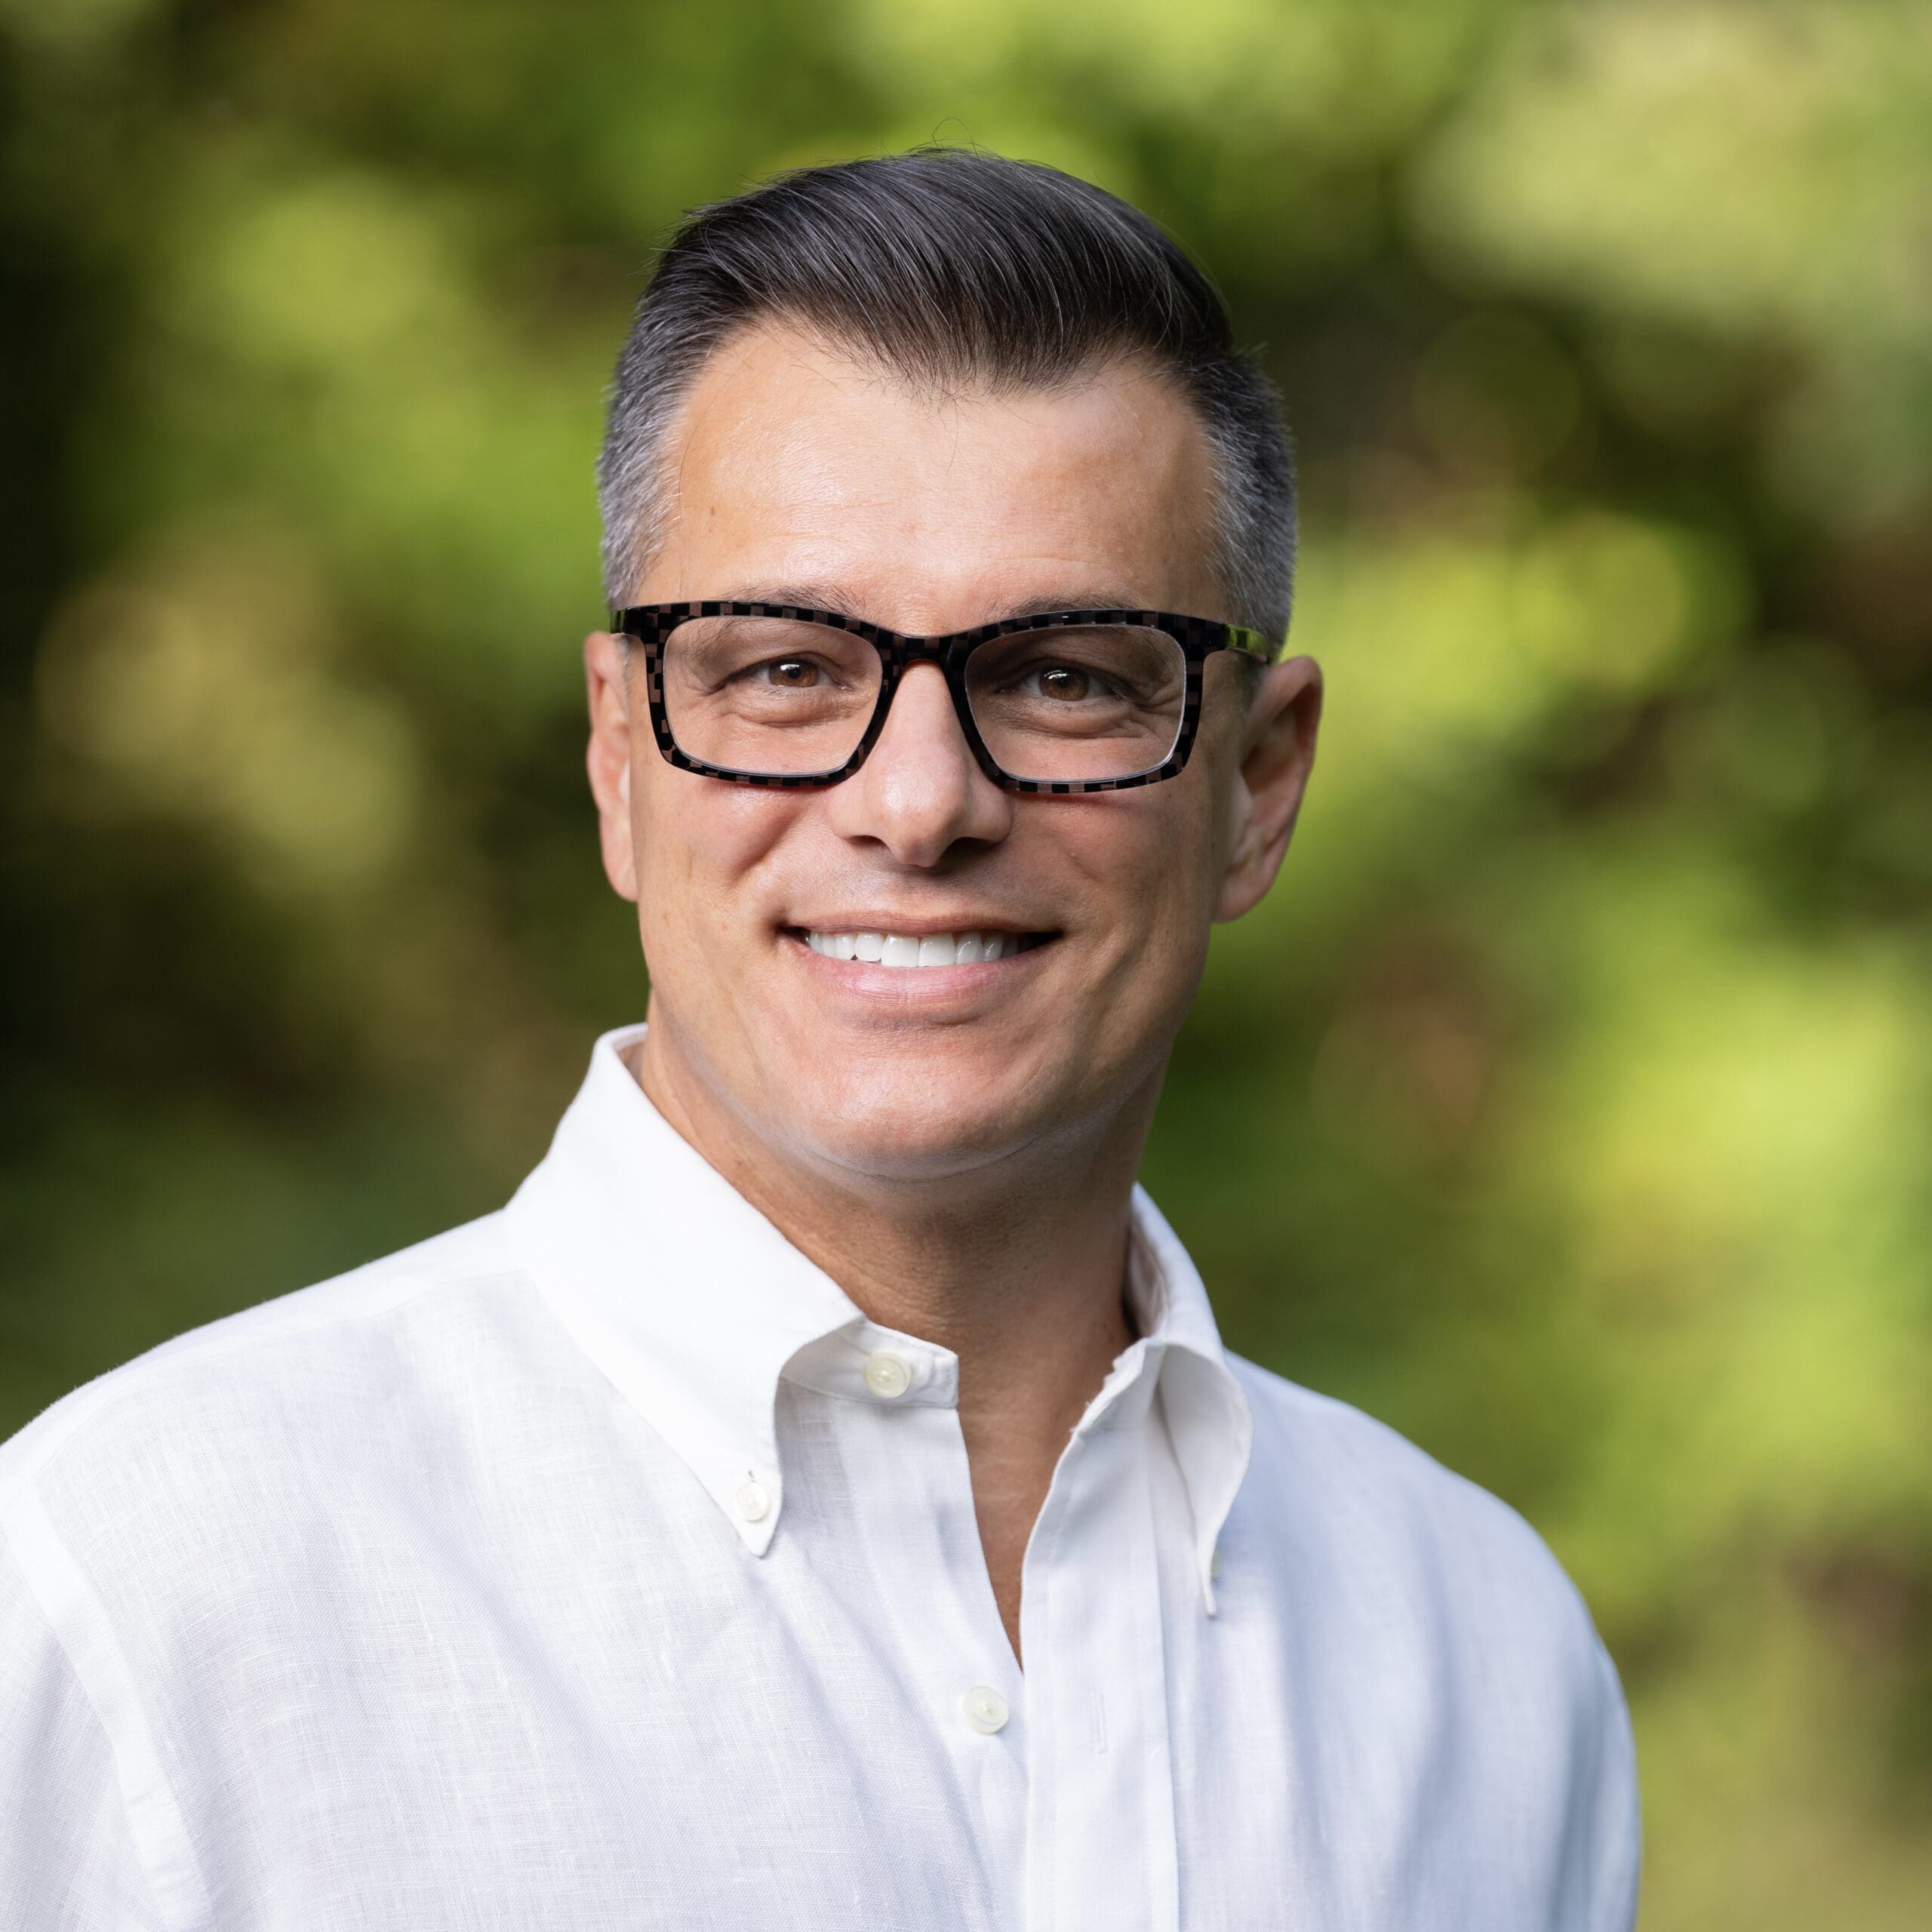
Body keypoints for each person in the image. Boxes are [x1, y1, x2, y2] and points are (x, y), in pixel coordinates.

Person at [0, 148, 1638, 1930]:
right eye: (784, 667)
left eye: (1064, 675)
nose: (918, 803)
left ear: (1256, 782)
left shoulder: (1483, 1657)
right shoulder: (134, 1598)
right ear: (619, 756)